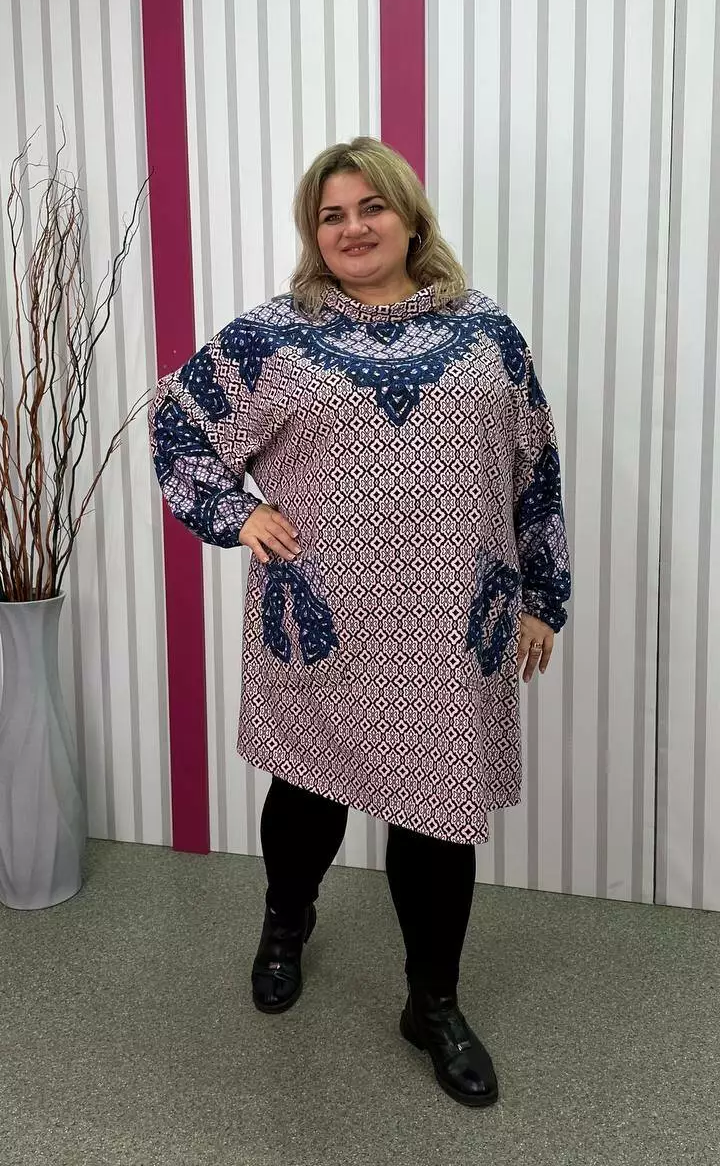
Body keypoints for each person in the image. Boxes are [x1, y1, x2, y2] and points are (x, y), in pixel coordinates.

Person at [148, 136, 571, 1109]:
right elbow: (180, 423)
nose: (353, 228)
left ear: (409, 215)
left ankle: (433, 1001)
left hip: (451, 626)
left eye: (370, 207)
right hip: (323, 622)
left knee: (438, 816)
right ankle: (286, 920)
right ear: (314, 233)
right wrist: (236, 513)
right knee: (309, 793)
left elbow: (534, 467)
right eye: (331, 215)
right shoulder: (275, 336)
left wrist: (542, 596)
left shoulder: (488, 334)